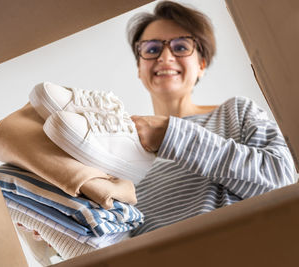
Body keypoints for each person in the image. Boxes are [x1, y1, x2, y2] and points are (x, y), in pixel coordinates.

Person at [127, 0, 297, 236]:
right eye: (152, 49)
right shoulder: (122, 147)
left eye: (181, 47)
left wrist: (173, 136)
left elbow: (283, 181)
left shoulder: (236, 112)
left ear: (201, 65)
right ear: (139, 67)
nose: (165, 57)